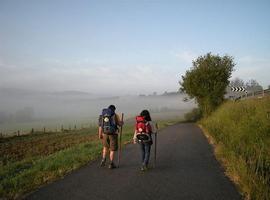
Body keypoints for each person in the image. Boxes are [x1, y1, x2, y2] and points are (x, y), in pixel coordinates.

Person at [98, 105, 123, 169]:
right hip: (113, 134)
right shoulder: (115, 115)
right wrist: (121, 123)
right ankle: (111, 164)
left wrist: (100, 134)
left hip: (105, 134)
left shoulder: (102, 116)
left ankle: (103, 159)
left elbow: (100, 126)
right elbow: (119, 124)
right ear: (114, 109)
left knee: (105, 147)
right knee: (112, 149)